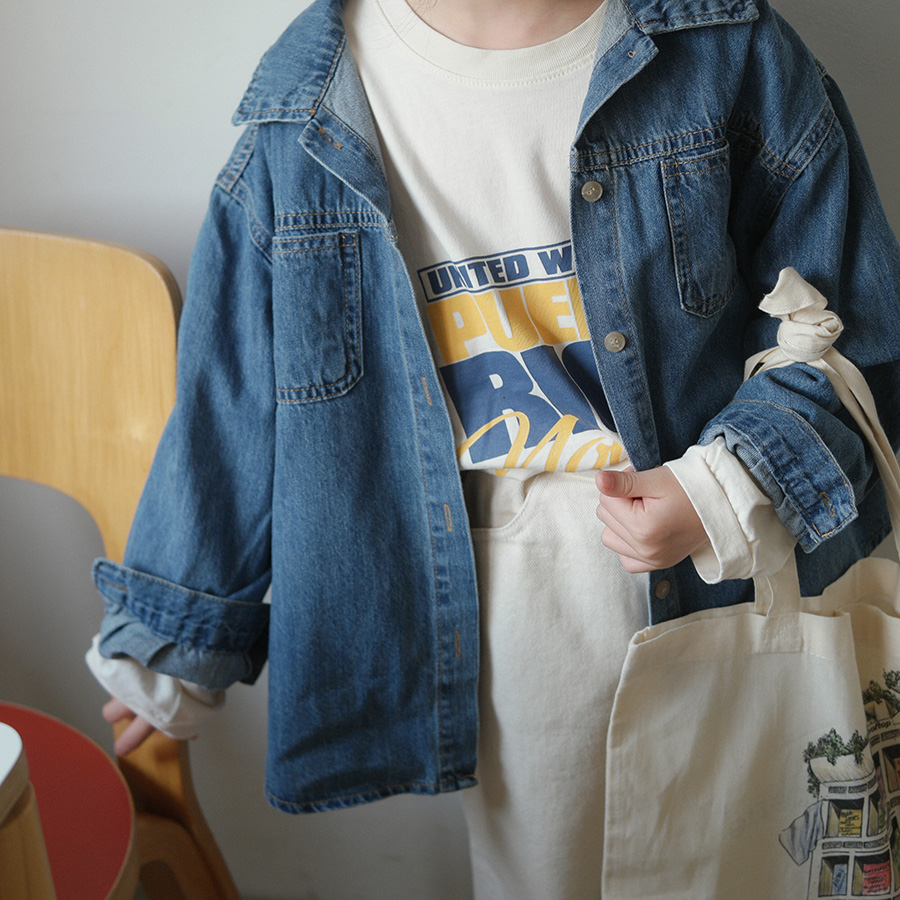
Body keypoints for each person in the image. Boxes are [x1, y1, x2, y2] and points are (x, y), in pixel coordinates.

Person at [85, 0, 900, 896]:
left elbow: (855, 322)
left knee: (778, 862)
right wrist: (175, 640)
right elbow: (235, 392)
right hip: (515, 604)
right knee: (551, 874)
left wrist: (727, 483)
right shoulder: (307, 108)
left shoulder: (724, 46)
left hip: (738, 558)